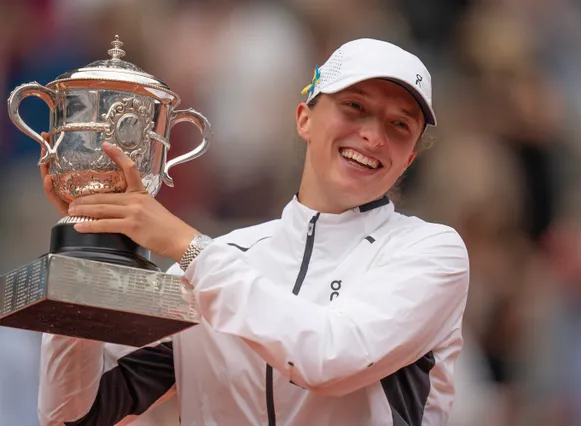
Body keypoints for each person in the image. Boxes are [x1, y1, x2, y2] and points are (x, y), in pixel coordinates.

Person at [37, 38, 469, 426]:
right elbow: (73, 417)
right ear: (304, 119)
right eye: (354, 106)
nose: (373, 135)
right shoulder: (218, 260)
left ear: (409, 158)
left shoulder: (430, 251)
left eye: (399, 125)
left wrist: (186, 247)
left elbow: (328, 359)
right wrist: (85, 254)